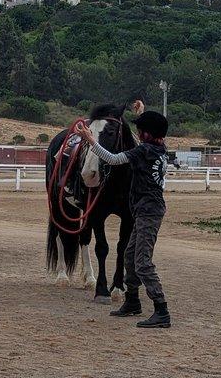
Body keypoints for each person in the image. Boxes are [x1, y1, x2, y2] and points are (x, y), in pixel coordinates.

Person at [75, 101, 171, 329]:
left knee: (142, 262)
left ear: (146, 134)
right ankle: (132, 301)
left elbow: (114, 159)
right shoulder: (160, 148)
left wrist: (90, 140)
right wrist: (142, 113)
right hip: (146, 210)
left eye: (141, 129)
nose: (137, 132)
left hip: (148, 212)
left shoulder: (143, 151)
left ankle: (161, 309)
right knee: (129, 255)